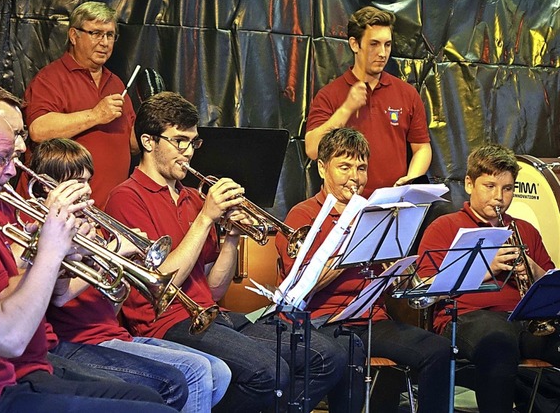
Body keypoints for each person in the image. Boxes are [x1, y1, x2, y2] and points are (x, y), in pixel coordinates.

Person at [0, 96, 177, 412]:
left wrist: (50, 254)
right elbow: (10, 338)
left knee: (151, 400)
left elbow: (1, 302)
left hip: (1, 382)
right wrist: (49, 251)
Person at [105, 91, 350, 412]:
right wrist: (207, 217)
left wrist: (232, 235)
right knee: (269, 371)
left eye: (193, 143)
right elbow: (161, 280)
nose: (188, 153)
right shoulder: (126, 197)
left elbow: (215, 287)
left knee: (328, 355)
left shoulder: (192, 197)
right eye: (179, 141)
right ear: (149, 142)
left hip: (211, 315)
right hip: (165, 324)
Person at [31, 137, 232, 413]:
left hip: (113, 333)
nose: (87, 190)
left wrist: (121, 272)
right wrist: (113, 252)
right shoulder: (48, 230)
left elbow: (111, 307)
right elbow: (59, 297)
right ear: (47, 185)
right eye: (76, 182)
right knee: (194, 371)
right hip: (77, 342)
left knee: (220, 371)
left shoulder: (92, 224)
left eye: (88, 180)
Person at [276, 127, 450, 412]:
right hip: (322, 322)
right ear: (322, 168)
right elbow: (301, 287)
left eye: (361, 168)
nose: (354, 177)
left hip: (371, 319)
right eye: (344, 167)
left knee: (438, 351)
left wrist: (399, 270)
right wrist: (352, 246)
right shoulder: (303, 216)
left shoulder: (375, 212)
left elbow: (396, 286)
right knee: (351, 353)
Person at [418, 143, 560, 413]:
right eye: (490, 186)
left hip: (522, 318)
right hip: (465, 318)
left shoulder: (524, 229)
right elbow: (425, 290)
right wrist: (487, 267)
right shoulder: (444, 227)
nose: (499, 197)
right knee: (498, 342)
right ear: (469, 184)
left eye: (507, 189)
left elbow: (551, 284)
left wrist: (533, 269)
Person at [305, 6, 431, 197]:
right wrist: (346, 108)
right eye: (374, 44)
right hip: (345, 207)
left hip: (392, 204)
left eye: (387, 45)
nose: (382, 53)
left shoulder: (407, 93)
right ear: (355, 44)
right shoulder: (329, 95)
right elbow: (313, 150)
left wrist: (410, 180)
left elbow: (421, 147)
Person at [24, 1, 137, 209]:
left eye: (110, 35)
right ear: (74, 36)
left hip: (111, 211)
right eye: (96, 33)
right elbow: (38, 131)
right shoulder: (51, 78)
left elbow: (132, 143)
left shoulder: (116, 83)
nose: (104, 42)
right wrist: (95, 115)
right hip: (66, 211)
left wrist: (156, 126)